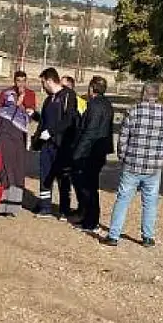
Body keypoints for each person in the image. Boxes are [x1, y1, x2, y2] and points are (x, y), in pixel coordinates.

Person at [103, 82, 163, 248]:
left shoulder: (133, 111)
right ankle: (148, 237)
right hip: (153, 167)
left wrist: (123, 157)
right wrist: (162, 159)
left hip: (132, 164)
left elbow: (123, 138)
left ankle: (114, 236)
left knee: (123, 199)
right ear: (157, 95)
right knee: (150, 202)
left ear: (143, 94)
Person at [32, 67, 80, 219]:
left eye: (43, 82)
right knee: (45, 176)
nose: (42, 86)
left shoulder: (68, 95)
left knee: (63, 178)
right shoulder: (48, 100)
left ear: (50, 80)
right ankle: (45, 207)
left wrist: (52, 132)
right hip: (47, 146)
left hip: (62, 146)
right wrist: (36, 140)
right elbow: (43, 122)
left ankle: (64, 209)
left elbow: (69, 119)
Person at [70, 76, 114, 234]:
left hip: (90, 153)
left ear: (92, 88)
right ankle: (88, 218)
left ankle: (90, 221)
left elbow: (90, 132)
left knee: (88, 188)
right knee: (90, 187)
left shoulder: (95, 105)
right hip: (98, 151)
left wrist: (77, 153)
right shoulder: (107, 104)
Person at [0, 70, 36, 216]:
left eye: (23, 81)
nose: (20, 84)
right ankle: (1, 203)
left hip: (18, 134)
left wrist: (21, 104)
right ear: (14, 81)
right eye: (18, 81)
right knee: (5, 167)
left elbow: (31, 115)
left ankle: (14, 204)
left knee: (17, 167)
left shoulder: (30, 94)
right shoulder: (5, 93)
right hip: (4, 134)